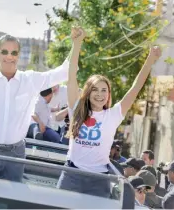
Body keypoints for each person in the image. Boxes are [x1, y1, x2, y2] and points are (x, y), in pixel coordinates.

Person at [0, 28, 77, 181]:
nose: (9, 56)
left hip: (16, 155)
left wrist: (76, 43)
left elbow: (64, 71)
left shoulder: (30, 80)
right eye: (4, 52)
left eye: (14, 53)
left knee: (10, 203)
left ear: (18, 56)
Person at [57, 25, 161, 197]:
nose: (99, 94)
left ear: (109, 94)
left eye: (104, 90)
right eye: (95, 90)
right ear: (87, 93)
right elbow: (71, 76)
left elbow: (135, 88)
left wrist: (150, 60)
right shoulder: (76, 108)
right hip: (72, 175)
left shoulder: (113, 115)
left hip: (99, 180)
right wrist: (76, 44)